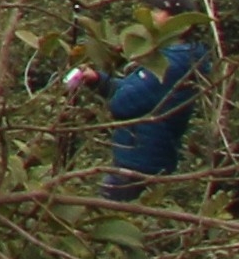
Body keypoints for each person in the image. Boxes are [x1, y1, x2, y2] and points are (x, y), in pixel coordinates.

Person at [63, 34, 212, 201]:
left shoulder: (171, 63)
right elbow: (134, 92)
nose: (153, 16)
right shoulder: (174, 58)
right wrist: (98, 80)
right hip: (141, 157)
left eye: (158, 11)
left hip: (140, 161)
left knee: (114, 211)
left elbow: (123, 103)